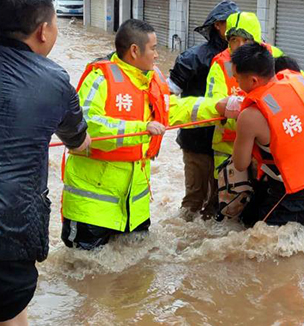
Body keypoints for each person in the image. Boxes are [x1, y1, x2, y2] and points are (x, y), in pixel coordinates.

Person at [0, 0, 90, 326]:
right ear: (42, 30)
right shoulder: (56, 82)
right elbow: (78, 141)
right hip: (7, 233)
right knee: (7, 319)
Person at [61, 19, 221, 250]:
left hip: (134, 208)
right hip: (92, 208)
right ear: (135, 51)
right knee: (86, 274)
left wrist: (218, 107)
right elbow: (85, 125)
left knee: (137, 276)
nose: (157, 55)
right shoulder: (100, 79)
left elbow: (174, 110)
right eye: (154, 48)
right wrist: (141, 128)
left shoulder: (152, 80)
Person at [222, 43, 304, 227]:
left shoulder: (250, 116)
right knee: (248, 223)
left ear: (253, 81)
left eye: (237, 78)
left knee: (255, 245)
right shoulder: (302, 85)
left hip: (287, 195)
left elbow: (240, 163)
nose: (236, 83)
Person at [167, 0, 239, 221]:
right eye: (232, 23)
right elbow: (166, 97)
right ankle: (185, 239)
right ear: (218, 25)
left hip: (228, 143)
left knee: (221, 200)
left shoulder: (246, 58)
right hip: (197, 143)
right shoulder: (191, 58)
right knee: (195, 198)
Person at [205, 12, 285, 180]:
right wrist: (249, 106)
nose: (240, 46)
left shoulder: (273, 54)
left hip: (266, 145)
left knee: (265, 198)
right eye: (234, 40)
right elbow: (214, 103)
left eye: (246, 40)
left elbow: (296, 80)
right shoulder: (220, 64)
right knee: (230, 201)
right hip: (228, 145)